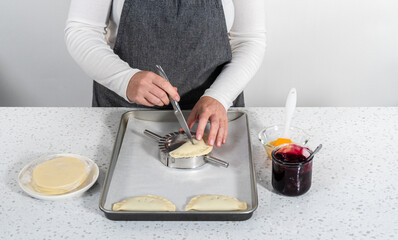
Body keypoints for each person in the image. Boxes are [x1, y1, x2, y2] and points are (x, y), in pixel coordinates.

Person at [65, 0, 266, 147]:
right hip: (124, 113)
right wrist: (125, 79)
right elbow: (82, 30)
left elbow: (249, 40)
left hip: (210, 119)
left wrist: (219, 97)